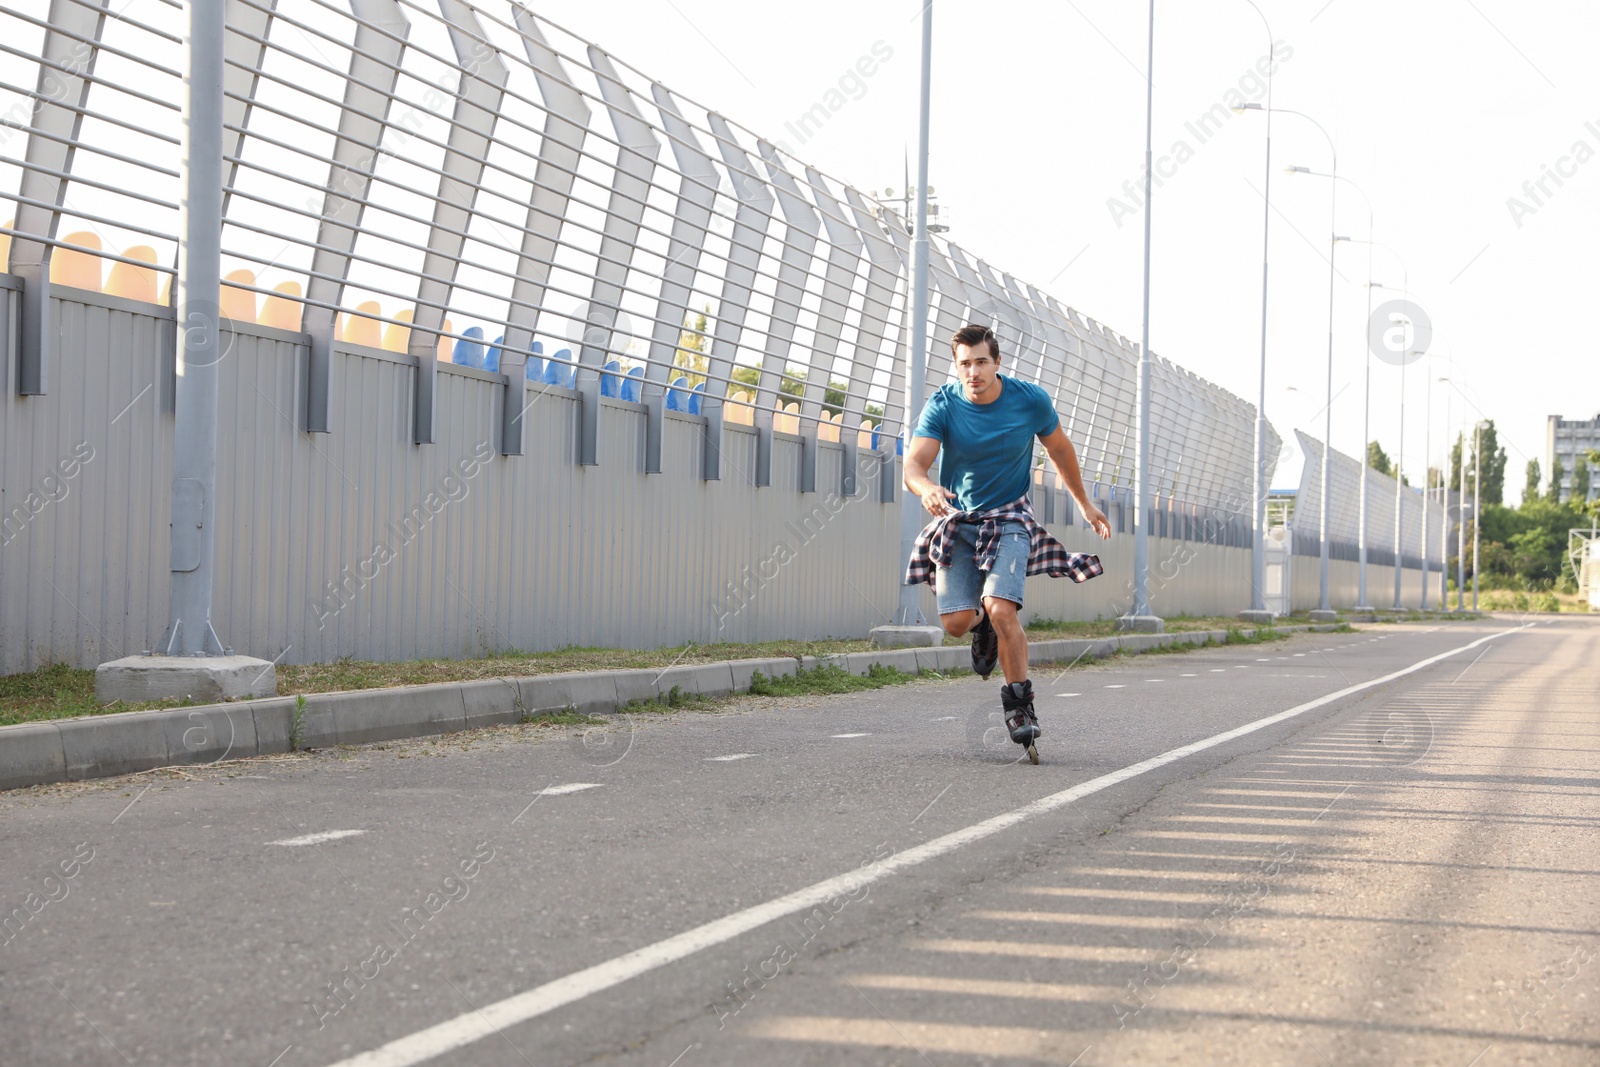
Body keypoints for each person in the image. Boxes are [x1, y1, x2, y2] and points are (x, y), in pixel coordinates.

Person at [903, 324, 1112, 753]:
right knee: (957, 624)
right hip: (959, 521)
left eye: (982, 362)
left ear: (997, 362)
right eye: (965, 364)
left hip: (1011, 519)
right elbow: (915, 465)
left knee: (1002, 609)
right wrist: (927, 489)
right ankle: (983, 628)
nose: (974, 371)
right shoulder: (942, 404)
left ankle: (1020, 706)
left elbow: (1060, 450)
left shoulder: (1029, 399)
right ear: (957, 366)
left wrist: (1084, 504)